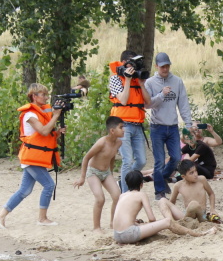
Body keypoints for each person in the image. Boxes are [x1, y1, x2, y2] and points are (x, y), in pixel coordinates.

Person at [0, 83, 65, 229]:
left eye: (46, 94)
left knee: (24, 191)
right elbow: (43, 131)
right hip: (31, 157)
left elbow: (45, 136)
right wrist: (56, 115)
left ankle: (0, 216)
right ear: (34, 96)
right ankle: (42, 219)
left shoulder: (40, 114)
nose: (46, 97)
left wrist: (57, 133)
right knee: (49, 185)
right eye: (42, 94)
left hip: (34, 156)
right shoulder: (30, 115)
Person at [145, 52, 197, 200]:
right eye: (162, 66)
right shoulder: (150, 83)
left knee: (175, 157)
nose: (165, 69)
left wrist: (188, 124)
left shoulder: (177, 81)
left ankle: (162, 177)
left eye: (167, 66)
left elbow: (183, 103)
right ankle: (159, 192)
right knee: (159, 160)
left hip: (173, 126)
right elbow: (148, 104)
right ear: (156, 66)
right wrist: (161, 94)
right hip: (157, 127)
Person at [112, 170, 214, 244]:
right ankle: (200, 234)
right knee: (167, 222)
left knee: (144, 225)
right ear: (141, 184)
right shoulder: (141, 194)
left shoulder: (122, 195)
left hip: (116, 235)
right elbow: (152, 218)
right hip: (128, 234)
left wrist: (137, 224)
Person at [109, 50, 152, 193]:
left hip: (137, 125)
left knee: (141, 161)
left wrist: (140, 83)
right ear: (124, 63)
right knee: (127, 160)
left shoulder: (137, 79)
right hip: (122, 126)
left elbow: (148, 101)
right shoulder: (115, 79)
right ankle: (125, 192)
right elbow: (123, 100)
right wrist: (127, 80)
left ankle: (124, 181)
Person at [73, 116, 125, 233]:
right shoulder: (102, 142)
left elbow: (112, 157)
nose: (124, 130)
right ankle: (96, 227)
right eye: (121, 127)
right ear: (112, 131)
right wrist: (82, 177)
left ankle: (113, 222)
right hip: (93, 172)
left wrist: (110, 173)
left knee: (117, 196)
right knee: (100, 199)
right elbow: (86, 158)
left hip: (106, 173)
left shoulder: (119, 143)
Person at [166, 159, 222, 223]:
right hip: (188, 214)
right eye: (191, 173)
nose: (195, 174)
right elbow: (171, 203)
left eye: (195, 171)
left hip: (202, 215)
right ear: (183, 176)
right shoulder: (178, 186)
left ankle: (186, 221)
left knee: (194, 204)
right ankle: (179, 221)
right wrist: (170, 216)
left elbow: (211, 194)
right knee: (163, 201)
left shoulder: (202, 180)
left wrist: (212, 209)